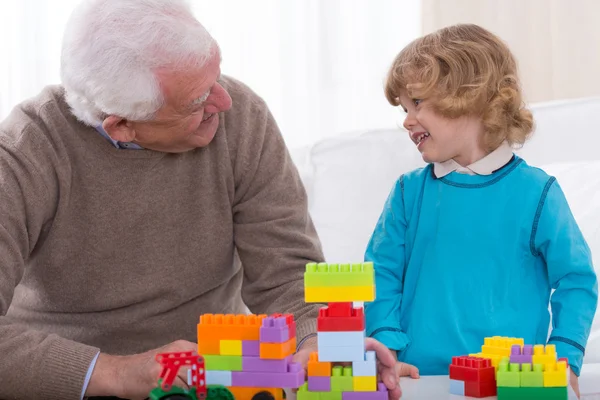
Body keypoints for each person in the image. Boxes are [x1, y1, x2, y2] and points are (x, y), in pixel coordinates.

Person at [0, 1, 401, 399]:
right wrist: (116, 373)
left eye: (216, 75)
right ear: (121, 125)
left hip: (218, 379)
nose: (224, 102)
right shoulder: (25, 151)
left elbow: (287, 271)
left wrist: (318, 344)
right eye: (196, 101)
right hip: (67, 384)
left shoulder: (241, 117)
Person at [364, 23, 598, 397]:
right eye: (404, 108)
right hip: (418, 379)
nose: (407, 120)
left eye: (417, 103)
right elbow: (381, 274)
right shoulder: (409, 193)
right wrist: (386, 343)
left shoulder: (537, 193)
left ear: (468, 96)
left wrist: (565, 355)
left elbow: (576, 279)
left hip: (510, 383)